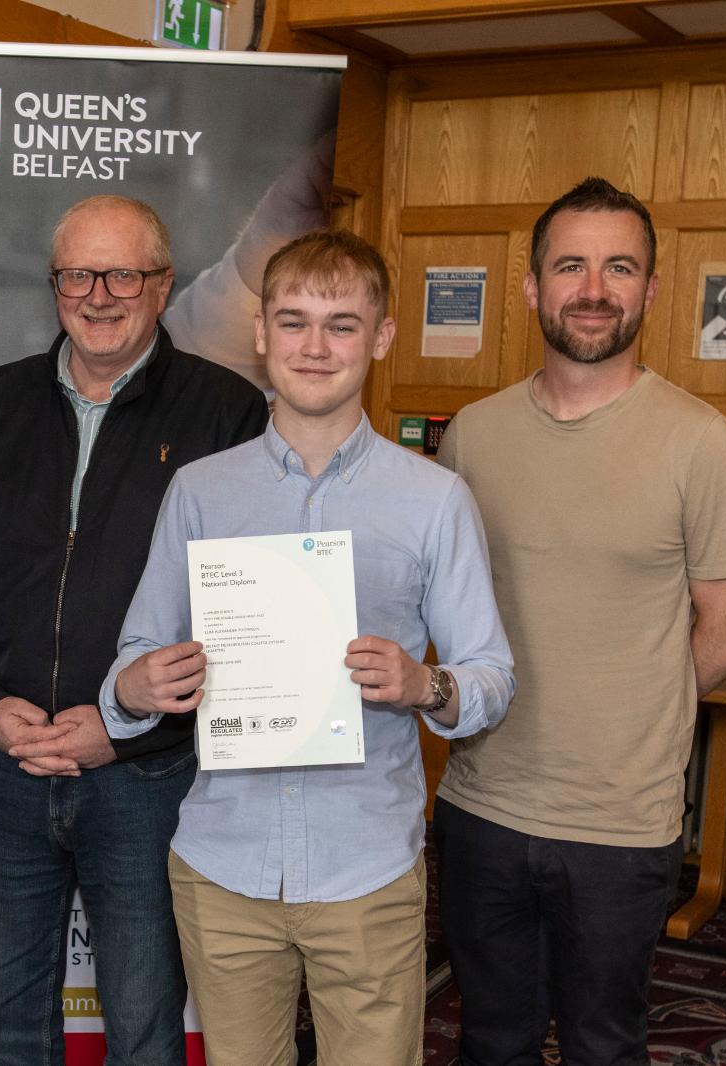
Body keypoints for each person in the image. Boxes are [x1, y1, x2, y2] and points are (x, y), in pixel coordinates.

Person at [101, 228, 514, 1066]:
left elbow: (490, 677)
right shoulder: (201, 491)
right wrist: (136, 685)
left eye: (341, 324)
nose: (314, 347)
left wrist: (422, 684)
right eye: (292, 322)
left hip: (364, 866)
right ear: (261, 333)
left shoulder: (433, 499)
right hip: (222, 867)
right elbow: (134, 655)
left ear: (380, 337)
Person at [0, 194, 268, 1064]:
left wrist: (125, 729)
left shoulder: (225, 411)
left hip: (145, 778)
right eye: (77, 274)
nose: (98, 295)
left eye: (122, 274)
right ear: (53, 286)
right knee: (5, 1026)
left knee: (144, 1028)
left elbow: (243, 610)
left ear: (164, 284)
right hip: (8, 766)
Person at [434, 176, 726, 1065]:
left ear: (649, 289)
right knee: (489, 1040)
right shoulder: (470, 436)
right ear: (532, 286)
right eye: (569, 266)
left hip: (621, 825)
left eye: (617, 268)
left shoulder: (701, 443)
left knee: (602, 1046)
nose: (592, 288)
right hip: (481, 805)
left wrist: (634, 710)